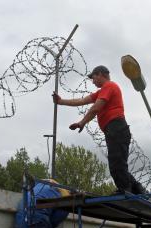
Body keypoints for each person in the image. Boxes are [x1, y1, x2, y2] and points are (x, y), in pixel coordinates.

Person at [52, 65, 144, 194]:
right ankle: (137, 189)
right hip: (115, 129)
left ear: (100, 74)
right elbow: (82, 100)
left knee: (116, 163)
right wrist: (61, 101)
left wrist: (81, 123)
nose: (93, 81)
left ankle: (125, 190)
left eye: (93, 77)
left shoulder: (109, 86)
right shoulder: (102, 91)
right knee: (118, 162)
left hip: (116, 128)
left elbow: (96, 108)